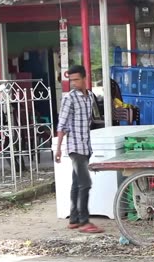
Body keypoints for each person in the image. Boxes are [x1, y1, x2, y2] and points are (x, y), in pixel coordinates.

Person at [55, 65, 104, 233]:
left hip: (86, 146)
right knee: (85, 183)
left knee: (77, 184)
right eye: (71, 80)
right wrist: (59, 149)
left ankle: (74, 219)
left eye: (76, 79)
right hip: (75, 147)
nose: (74, 83)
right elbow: (61, 124)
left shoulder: (90, 96)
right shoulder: (69, 98)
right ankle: (84, 222)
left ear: (85, 78)